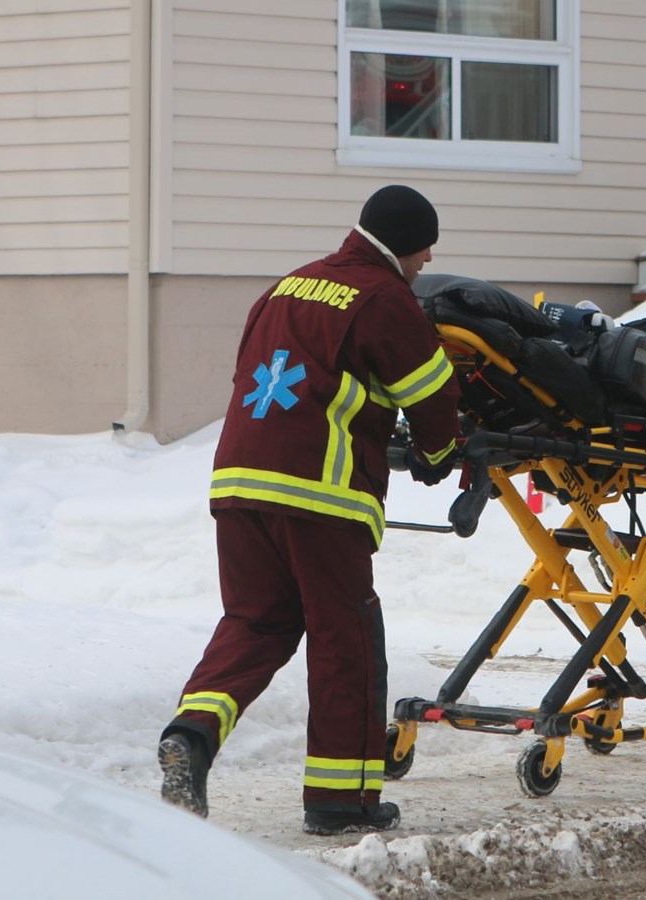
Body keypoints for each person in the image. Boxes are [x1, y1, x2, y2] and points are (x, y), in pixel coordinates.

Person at [157, 184, 462, 835]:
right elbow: (433, 396)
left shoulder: (289, 286)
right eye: (424, 252)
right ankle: (340, 801)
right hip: (318, 495)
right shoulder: (385, 298)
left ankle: (193, 734)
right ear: (405, 245)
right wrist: (440, 452)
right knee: (344, 638)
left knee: (255, 621)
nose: (426, 263)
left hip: (240, 482)